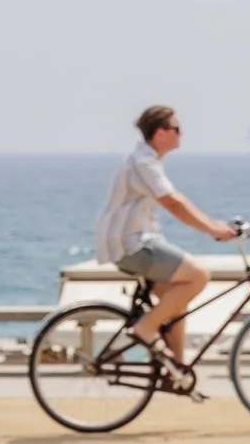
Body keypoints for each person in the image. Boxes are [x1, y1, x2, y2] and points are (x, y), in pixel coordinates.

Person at [96, 105, 239, 378]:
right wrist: (213, 229)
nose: (181, 134)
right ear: (160, 133)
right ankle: (145, 329)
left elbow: (174, 199)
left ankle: (175, 369)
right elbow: (173, 202)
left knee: (176, 302)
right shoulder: (144, 163)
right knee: (198, 276)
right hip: (131, 245)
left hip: (132, 242)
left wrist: (215, 226)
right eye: (176, 129)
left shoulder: (147, 160)